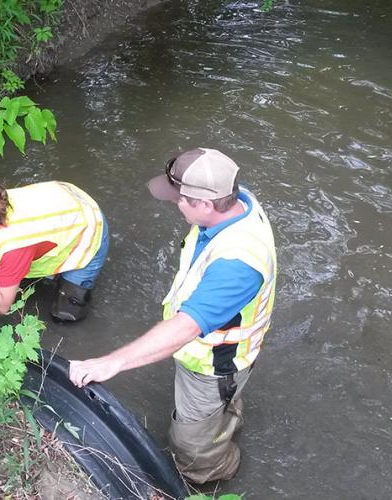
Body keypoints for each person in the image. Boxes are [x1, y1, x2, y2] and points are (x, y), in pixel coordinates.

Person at [68, 148, 277, 483]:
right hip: (229, 354)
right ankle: (226, 419)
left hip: (214, 364)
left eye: (180, 199)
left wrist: (111, 362)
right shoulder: (238, 201)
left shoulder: (237, 265)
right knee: (222, 406)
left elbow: (186, 327)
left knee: (191, 450)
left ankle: (217, 469)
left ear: (206, 205)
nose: (174, 203)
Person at [0, 180, 109, 321]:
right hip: (65, 201)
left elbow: (3, 306)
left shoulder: (14, 246)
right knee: (23, 280)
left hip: (87, 225)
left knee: (66, 313)